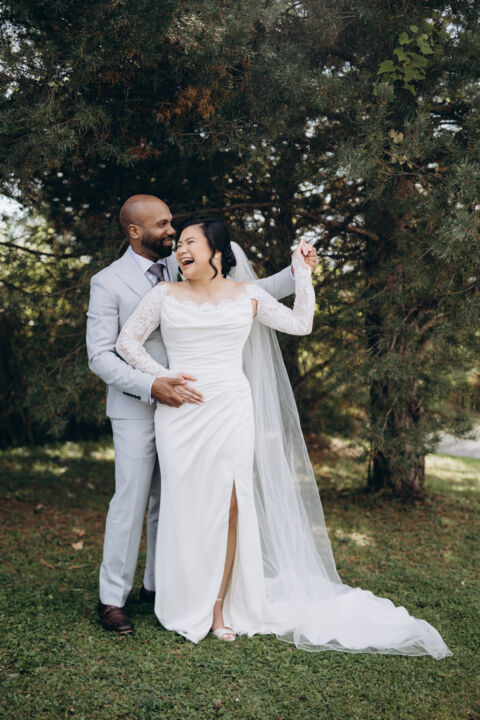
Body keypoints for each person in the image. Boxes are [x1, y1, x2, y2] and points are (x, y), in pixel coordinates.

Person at [115, 216, 451, 657]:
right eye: (179, 244)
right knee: (186, 505)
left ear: (216, 251)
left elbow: (301, 323)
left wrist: (303, 275)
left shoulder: (248, 295)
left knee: (231, 504)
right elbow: (127, 343)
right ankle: (183, 599)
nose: (180, 249)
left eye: (190, 242)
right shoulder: (164, 294)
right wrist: (163, 378)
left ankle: (218, 606)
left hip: (231, 408)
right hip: (181, 413)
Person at [86, 195, 317, 634]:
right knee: (132, 502)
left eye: (178, 230)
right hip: (140, 405)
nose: (173, 235)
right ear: (135, 231)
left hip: (219, 405)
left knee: (179, 503)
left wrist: (298, 271)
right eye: (163, 226)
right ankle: (112, 599)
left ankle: (162, 586)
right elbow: (102, 354)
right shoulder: (109, 281)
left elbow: (245, 292)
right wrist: (156, 382)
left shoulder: (184, 267)